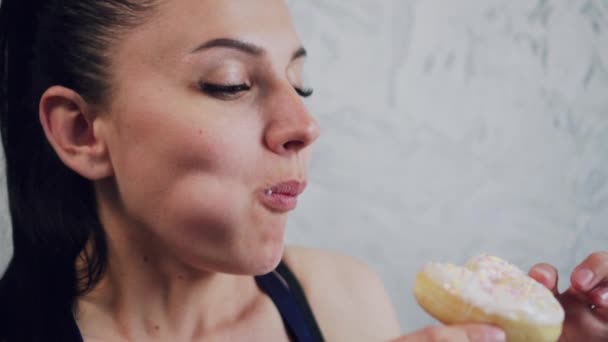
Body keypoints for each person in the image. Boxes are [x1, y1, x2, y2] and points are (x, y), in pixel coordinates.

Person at [0, 0, 606, 341]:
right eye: (230, 84)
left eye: (301, 83)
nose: (305, 125)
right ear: (81, 131)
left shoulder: (345, 301)